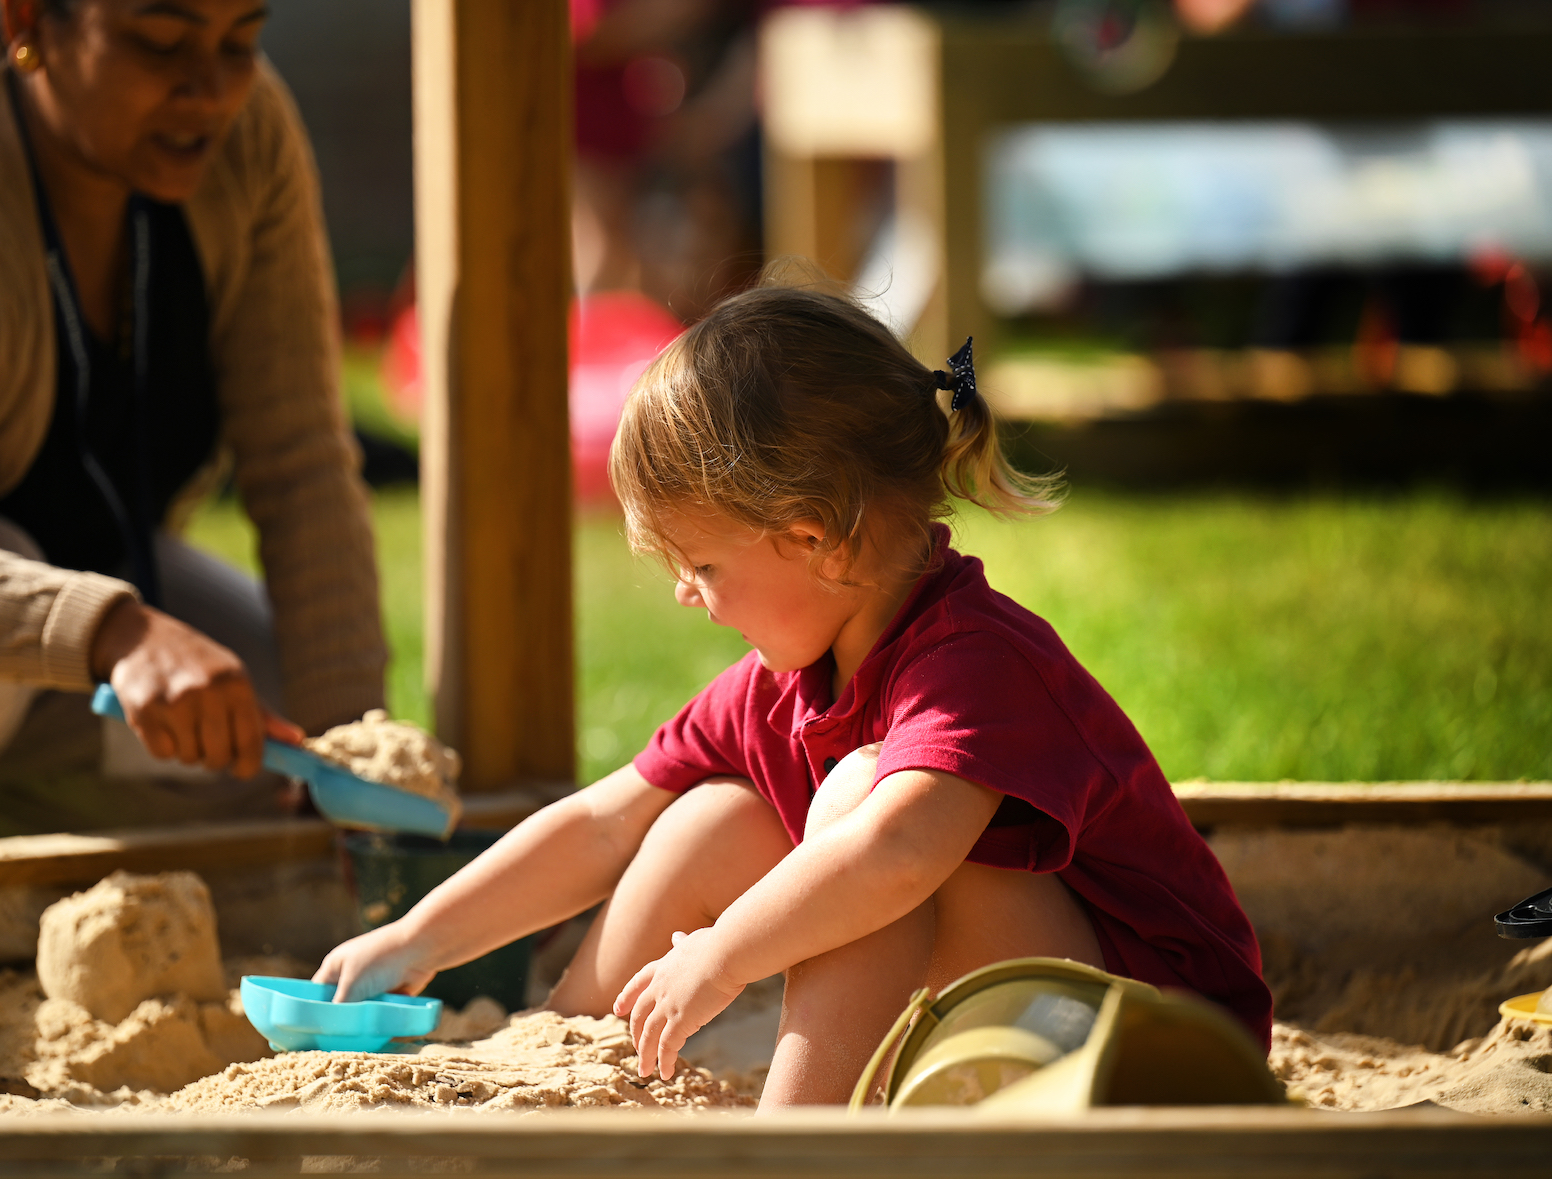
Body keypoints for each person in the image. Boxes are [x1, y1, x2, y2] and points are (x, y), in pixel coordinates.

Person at [313, 283, 1269, 1108]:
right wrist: (417, 935)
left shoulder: (976, 662)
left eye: (701, 564)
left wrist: (722, 954)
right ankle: (580, 1047)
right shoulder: (785, 682)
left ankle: (796, 1144)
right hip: (1007, 1024)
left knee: (858, 800)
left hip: (1153, 1058)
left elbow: (894, 855)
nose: (687, 594)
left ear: (817, 540)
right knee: (713, 817)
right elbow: (608, 822)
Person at [0, 0, 386, 854]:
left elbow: (301, 465)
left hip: (55, 653)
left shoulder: (243, 140)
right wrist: (113, 631)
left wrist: (349, 758)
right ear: (28, 20)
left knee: (281, 721)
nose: (210, 88)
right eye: (161, 42)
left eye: (241, 40)